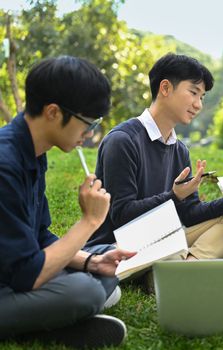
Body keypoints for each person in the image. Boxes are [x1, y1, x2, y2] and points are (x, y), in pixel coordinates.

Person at [86, 53, 223, 267]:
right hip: (120, 246)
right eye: (193, 93)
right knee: (175, 248)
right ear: (165, 88)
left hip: (164, 236)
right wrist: (173, 196)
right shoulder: (122, 141)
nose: (198, 105)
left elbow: (190, 213)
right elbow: (121, 216)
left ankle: (185, 267)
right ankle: (187, 263)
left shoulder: (179, 150)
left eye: (202, 97)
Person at [0, 56, 135, 348]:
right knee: (84, 293)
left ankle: (52, 318)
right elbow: (28, 273)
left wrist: (92, 261)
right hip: (12, 279)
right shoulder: (5, 164)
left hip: (15, 267)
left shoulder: (33, 152)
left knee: (105, 261)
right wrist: (90, 221)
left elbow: (39, 236)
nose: (89, 135)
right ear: (52, 112)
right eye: (87, 123)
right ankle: (49, 323)